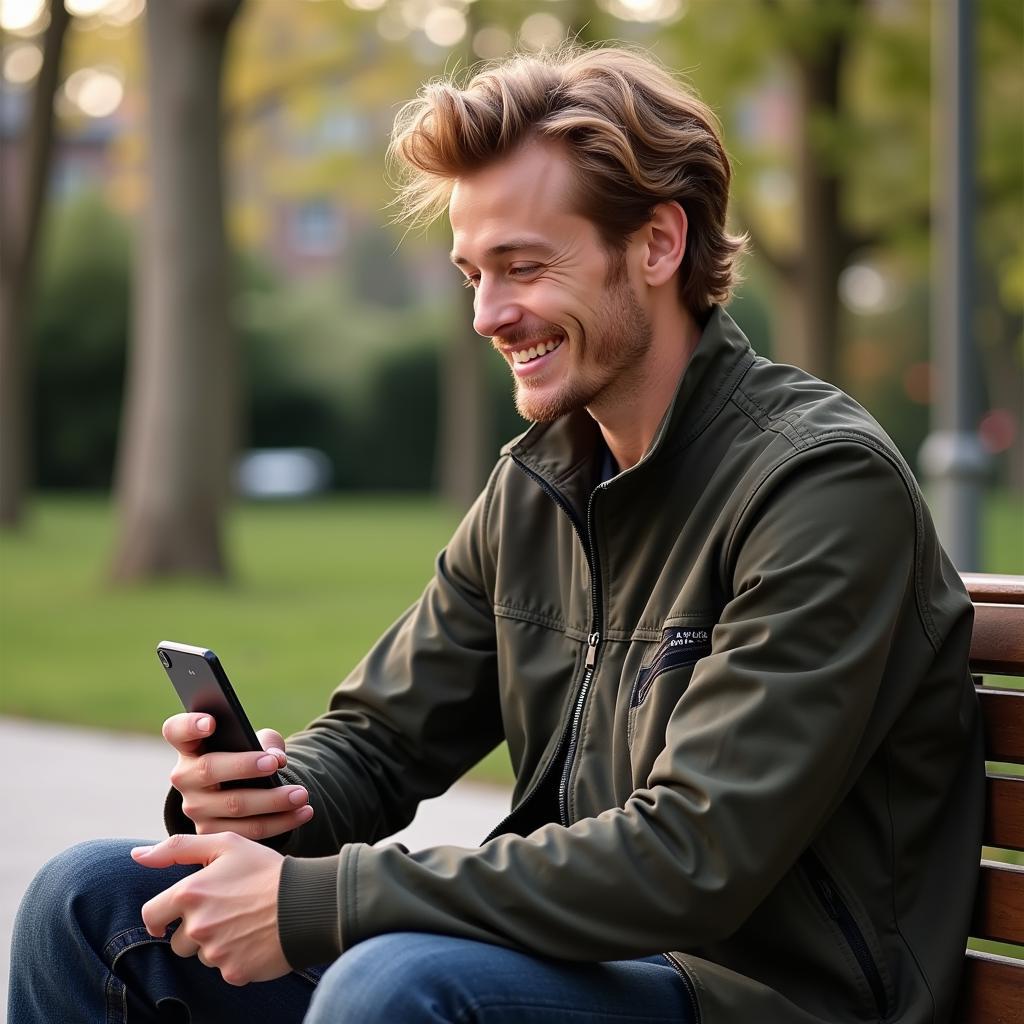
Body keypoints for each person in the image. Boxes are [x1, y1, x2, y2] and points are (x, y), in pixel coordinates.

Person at [10, 44, 984, 1024]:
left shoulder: (817, 487)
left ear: (656, 244)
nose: (486, 314)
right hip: (574, 967)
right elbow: (381, 740)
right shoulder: (540, 483)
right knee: (91, 903)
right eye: (472, 272)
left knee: (394, 985)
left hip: (763, 997)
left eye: (523, 267)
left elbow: (691, 857)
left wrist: (319, 902)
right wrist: (273, 798)